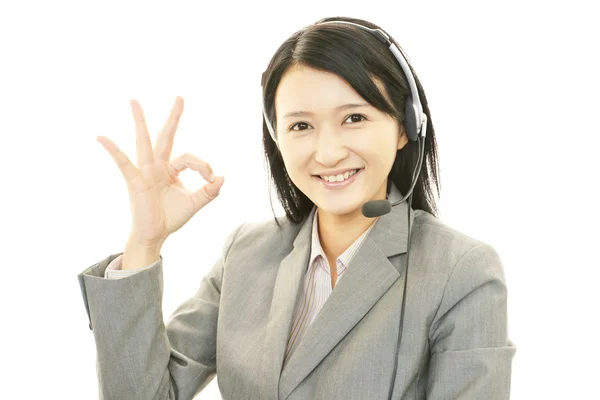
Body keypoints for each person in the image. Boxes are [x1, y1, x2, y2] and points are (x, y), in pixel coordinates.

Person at [77, 16, 516, 400]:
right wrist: (144, 241)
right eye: (301, 125)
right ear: (277, 138)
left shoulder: (462, 271)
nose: (327, 153)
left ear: (405, 127)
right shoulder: (245, 253)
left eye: (354, 118)